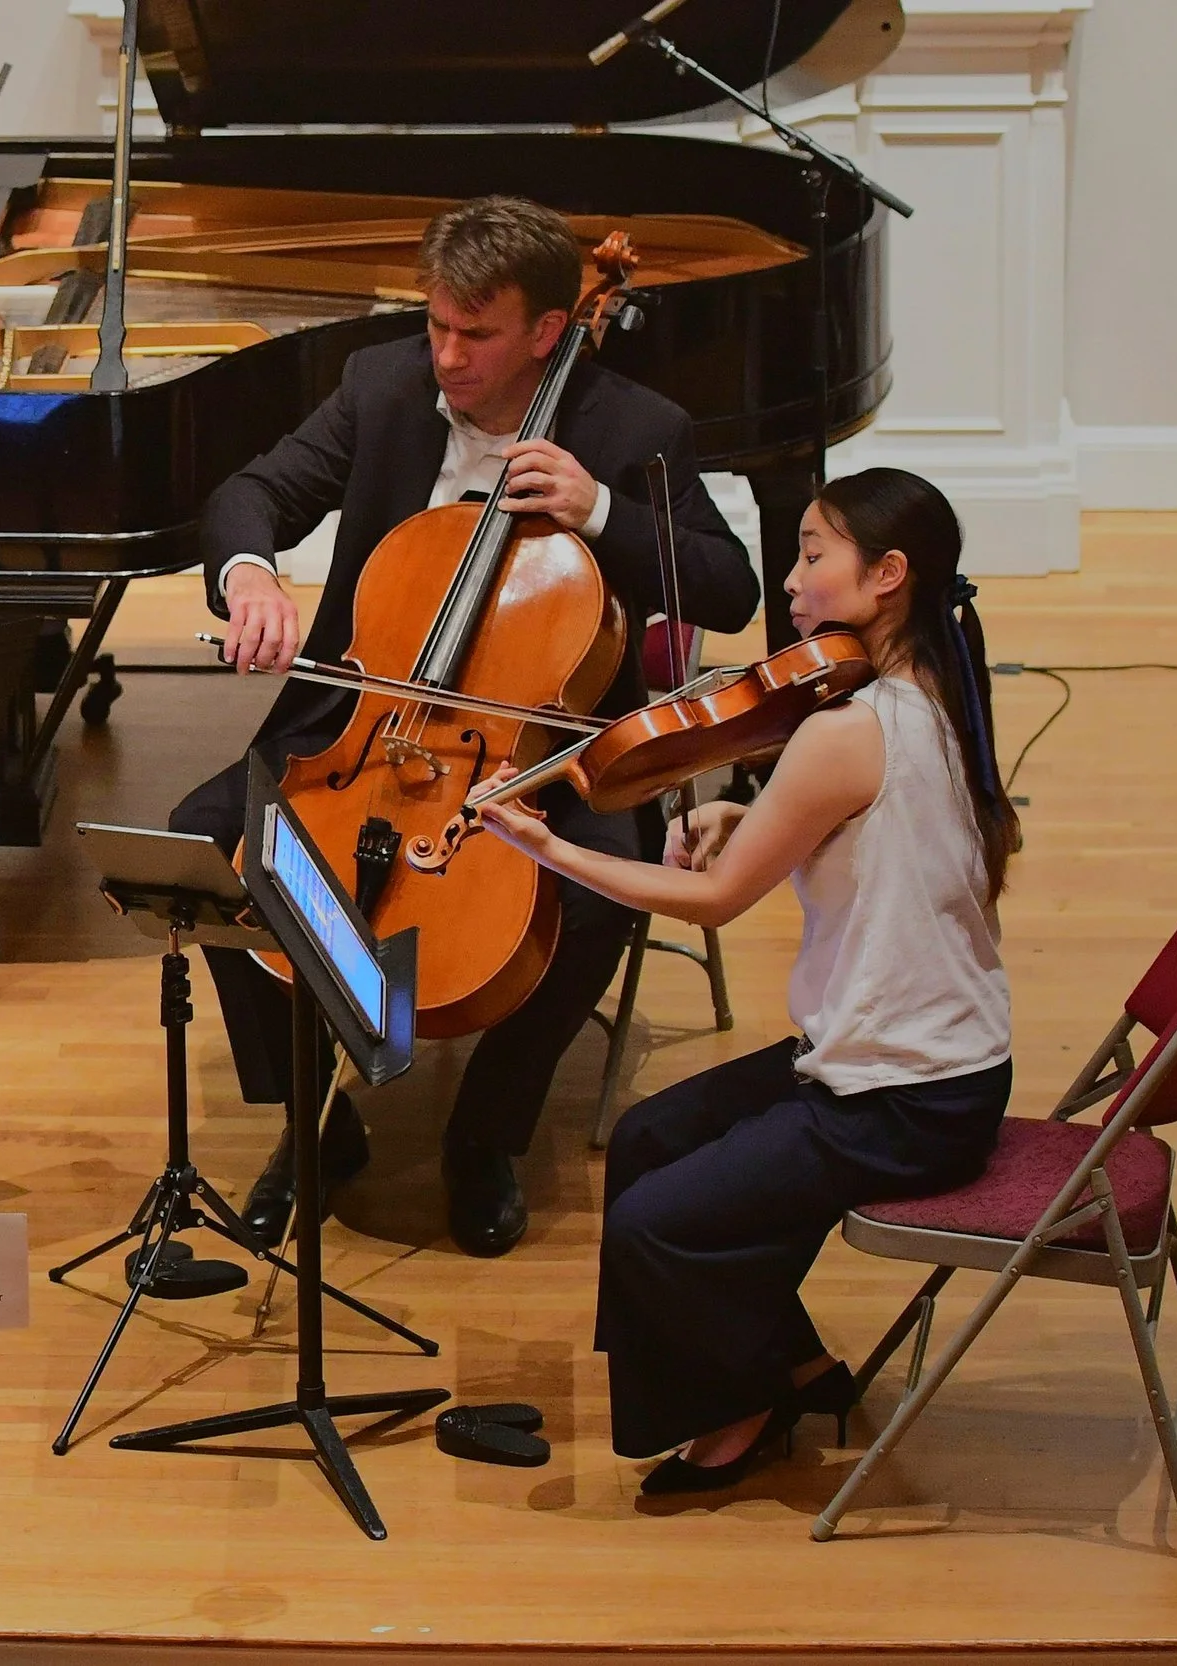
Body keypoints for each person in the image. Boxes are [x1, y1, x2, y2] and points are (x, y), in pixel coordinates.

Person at [172, 195, 761, 1256]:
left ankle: (485, 1135)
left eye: (474, 334)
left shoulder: (633, 430)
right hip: (363, 721)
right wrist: (251, 575)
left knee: (595, 895)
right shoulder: (381, 387)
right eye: (435, 324)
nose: (445, 354)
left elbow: (726, 588)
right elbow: (252, 493)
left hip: (540, 743)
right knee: (206, 847)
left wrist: (598, 512)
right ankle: (315, 1119)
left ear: (546, 330)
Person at [474, 467, 1018, 1492]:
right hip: (923, 1059)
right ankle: (795, 1364)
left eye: (814, 554)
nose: (792, 576)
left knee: (654, 1219)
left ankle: (738, 1406)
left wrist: (544, 847)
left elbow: (716, 901)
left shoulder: (845, 731)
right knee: (648, 1139)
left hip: (902, 1096)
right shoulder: (935, 688)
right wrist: (745, 816)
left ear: (887, 574)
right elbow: (861, 833)